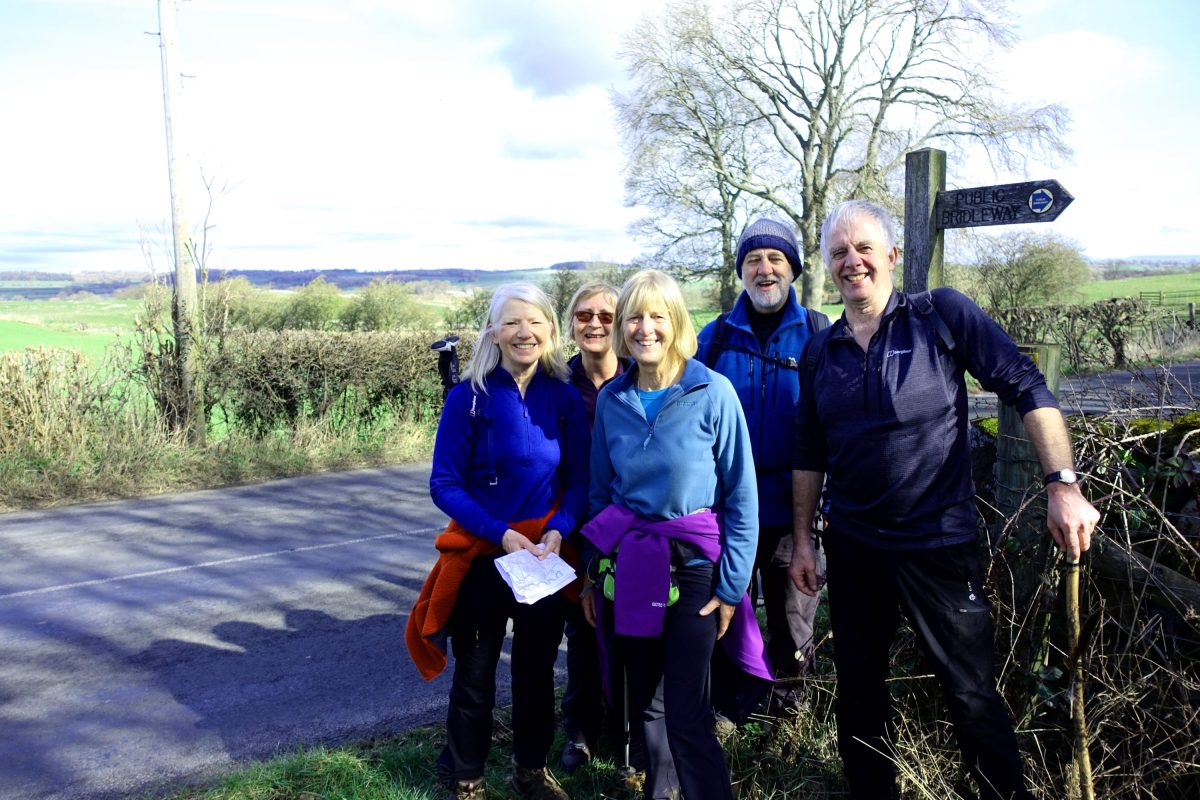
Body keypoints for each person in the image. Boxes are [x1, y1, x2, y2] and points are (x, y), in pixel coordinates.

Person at [789, 200, 1100, 800]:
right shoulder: (819, 352)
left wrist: (1062, 485)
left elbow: (1024, 384)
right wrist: (804, 539)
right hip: (853, 547)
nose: (852, 262)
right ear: (827, 268)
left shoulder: (940, 316)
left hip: (939, 544)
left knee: (971, 692)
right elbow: (809, 450)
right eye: (838, 254)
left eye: (864, 250)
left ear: (892, 258)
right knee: (859, 691)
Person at [582, 269, 770, 800]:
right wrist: (592, 575)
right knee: (646, 702)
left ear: (677, 322)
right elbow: (601, 496)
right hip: (631, 567)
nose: (645, 328)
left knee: (686, 709)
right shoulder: (614, 400)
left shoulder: (713, 391)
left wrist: (731, 585)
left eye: (656, 316)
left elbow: (742, 496)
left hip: (694, 568)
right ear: (622, 327)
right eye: (634, 317)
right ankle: (659, 793)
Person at [406, 283, 590, 800]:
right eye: (511, 322)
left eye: (534, 322)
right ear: (493, 331)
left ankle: (530, 771)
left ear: (550, 330)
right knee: (476, 674)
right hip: (488, 556)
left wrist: (559, 529)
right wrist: (501, 533)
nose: (523, 332)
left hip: (542, 560)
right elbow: (444, 483)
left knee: (535, 674)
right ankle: (467, 776)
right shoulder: (469, 397)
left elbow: (580, 479)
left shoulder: (564, 397)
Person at [696, 217, 828, 715]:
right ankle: (731, 708)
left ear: (792, 269)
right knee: (723, 613)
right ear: (741, 271)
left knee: (794, 618)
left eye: (775, 259)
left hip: (794, 512)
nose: (764, 269)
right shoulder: (712, 340)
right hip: (725, 512)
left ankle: (788, 712)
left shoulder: (819, 334)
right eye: (753, 260)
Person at [558, 281, 630, 772]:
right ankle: (580, 730)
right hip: (574, 528)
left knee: (633, 632)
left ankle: (629, 735)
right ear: (571, 325)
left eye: (606, 315)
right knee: (582, 634)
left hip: (631, 529)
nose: (595, 324)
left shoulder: (642, 376)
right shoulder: (557, 385)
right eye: (584, 315)